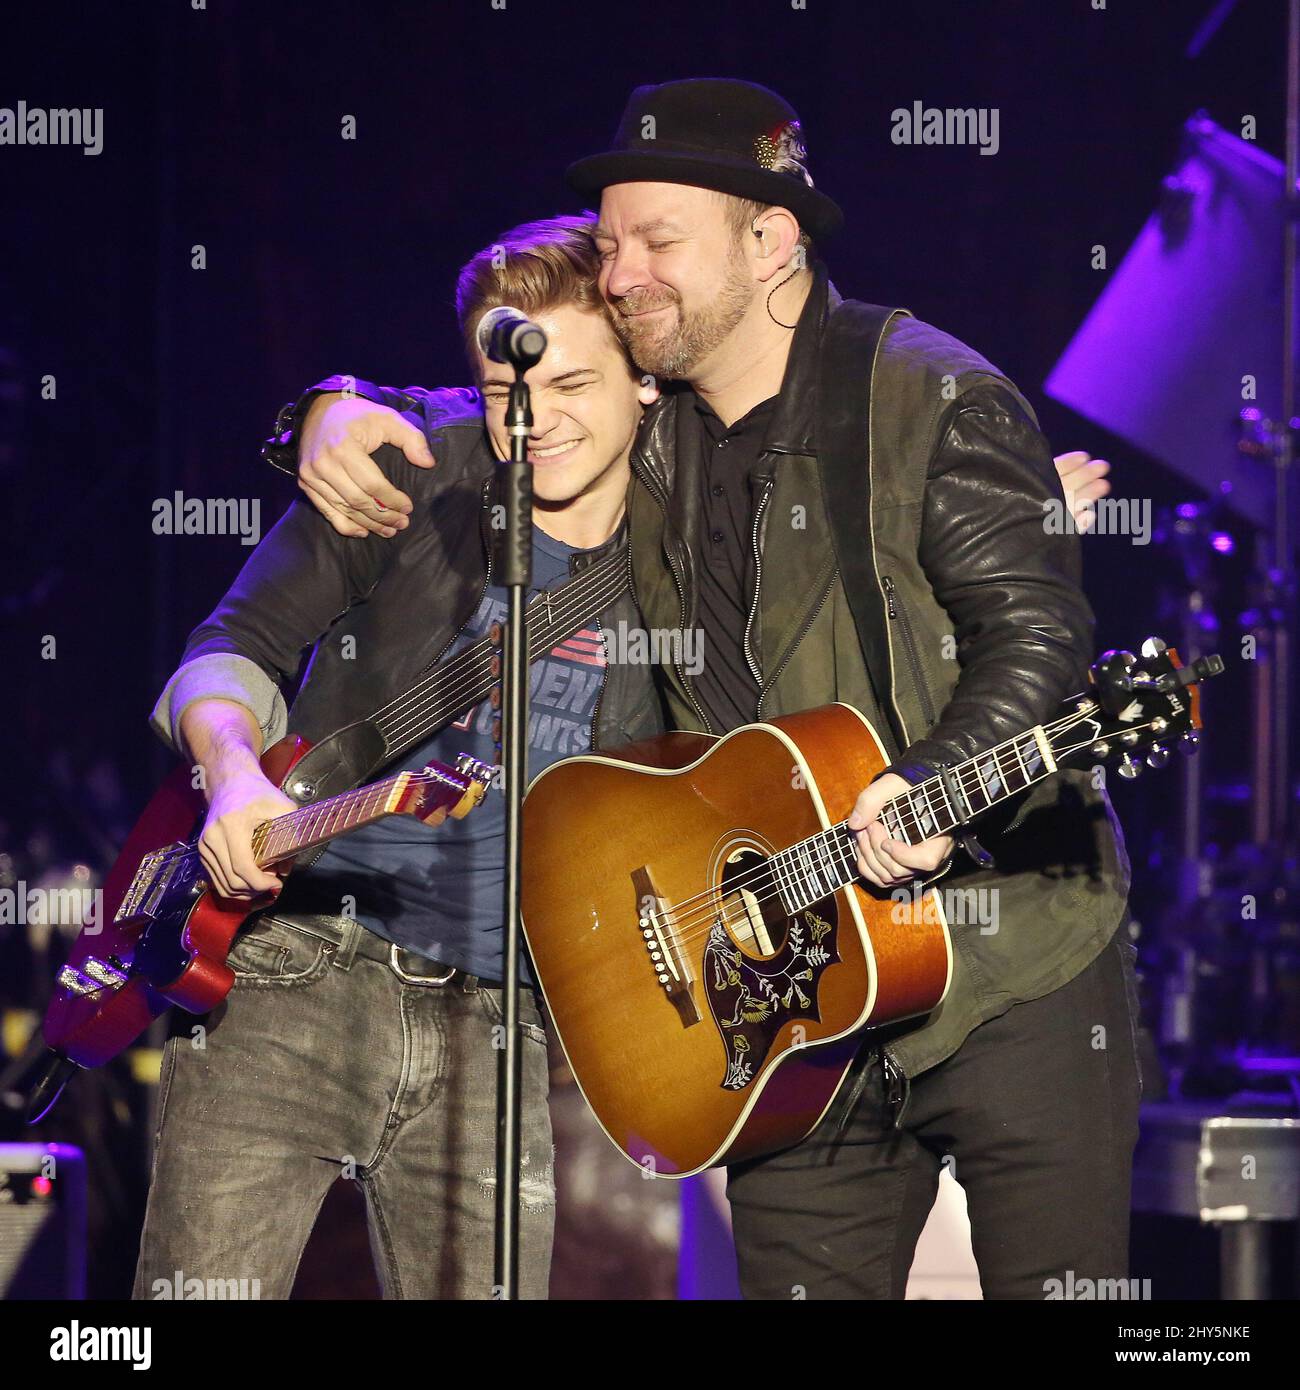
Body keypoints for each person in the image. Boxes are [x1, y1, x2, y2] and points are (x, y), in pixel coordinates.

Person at [272, 78, 1137, 1301]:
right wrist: (331, 408)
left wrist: (933, 786)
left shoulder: (932, 397)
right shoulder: (653, 420)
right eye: (612, 243)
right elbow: (496, 416)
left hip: (1007, 974)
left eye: (656, 241)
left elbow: (1037, 644)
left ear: (770, 239)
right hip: (779, 992)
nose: (619, 275)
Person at [133, 215, 663, 1300]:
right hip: (293, 976)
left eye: (574, 385)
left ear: (645, 379)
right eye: (512, 388)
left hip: (501, 1025)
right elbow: (229, 648)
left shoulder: (698, 534)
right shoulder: (411, 468)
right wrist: (232, 772)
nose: (538, 421)